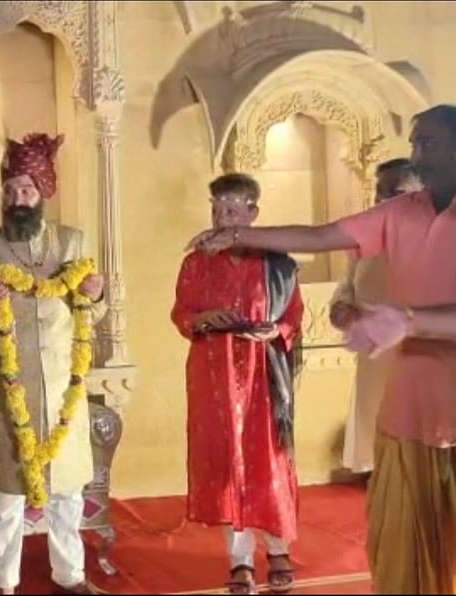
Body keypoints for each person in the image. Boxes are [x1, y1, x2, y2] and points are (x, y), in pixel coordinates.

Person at [186, 104, 456, 594]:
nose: (417, 155)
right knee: (403, 553)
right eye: (414, 143)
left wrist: (410, 321)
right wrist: (235, 235)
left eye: (429, 144)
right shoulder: (401, 211)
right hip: (408, 410)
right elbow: (321, 235)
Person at [0, 133, 107, 595]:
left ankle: (71, 577)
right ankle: (4, 583)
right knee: (5, 496)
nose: (16, 199)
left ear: (43, 192)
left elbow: (92, 313)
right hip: (6, 394)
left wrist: (96, 295)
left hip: (64, 390)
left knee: (67, 492)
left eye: (26, 189)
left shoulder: (72, 242)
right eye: (9, 190)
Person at [171, 173, 304, 595]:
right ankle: (240, 560)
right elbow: (181, 314)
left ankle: (278, 549)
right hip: (214, 374)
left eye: (231, 210)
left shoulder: (276, 263)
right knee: (227, 463)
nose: (222, 218)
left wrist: (275, 330)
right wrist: (203, 318)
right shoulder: (196, 262)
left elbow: (294, 317)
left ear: (252, 213)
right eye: (216, 210)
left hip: (264, 374)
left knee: (269, 460)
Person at [330, 158, 422, 477]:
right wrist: (342, 307)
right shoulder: (364, 241)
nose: (385, 201)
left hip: (421, 360)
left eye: (396, 193)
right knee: (379, 447)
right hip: (374, 362)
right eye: (380, 193)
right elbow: (347, 286)